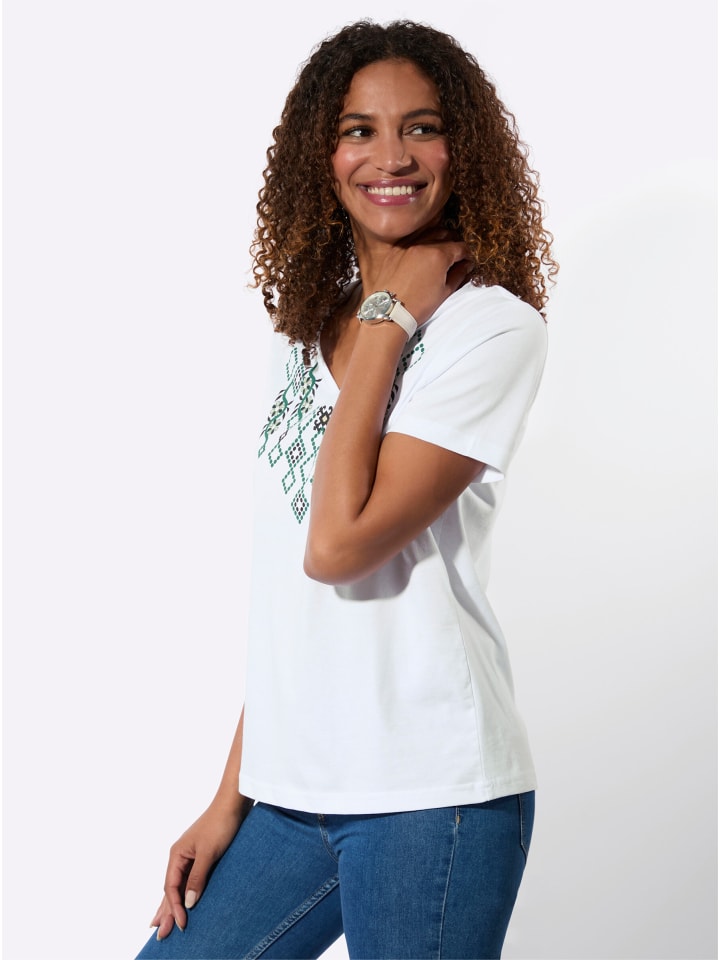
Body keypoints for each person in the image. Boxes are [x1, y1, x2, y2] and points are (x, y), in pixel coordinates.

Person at [137, 19, 556, 960]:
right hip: (293, 795)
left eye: (422, 127)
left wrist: (390, 317)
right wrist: (231, 795)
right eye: (358, 130)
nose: (391, 156)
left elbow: (336, 548)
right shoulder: (304, 334)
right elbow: (297, 608)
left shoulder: (491, 330)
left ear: (463, 149)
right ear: (319, 159)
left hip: (430, 796)